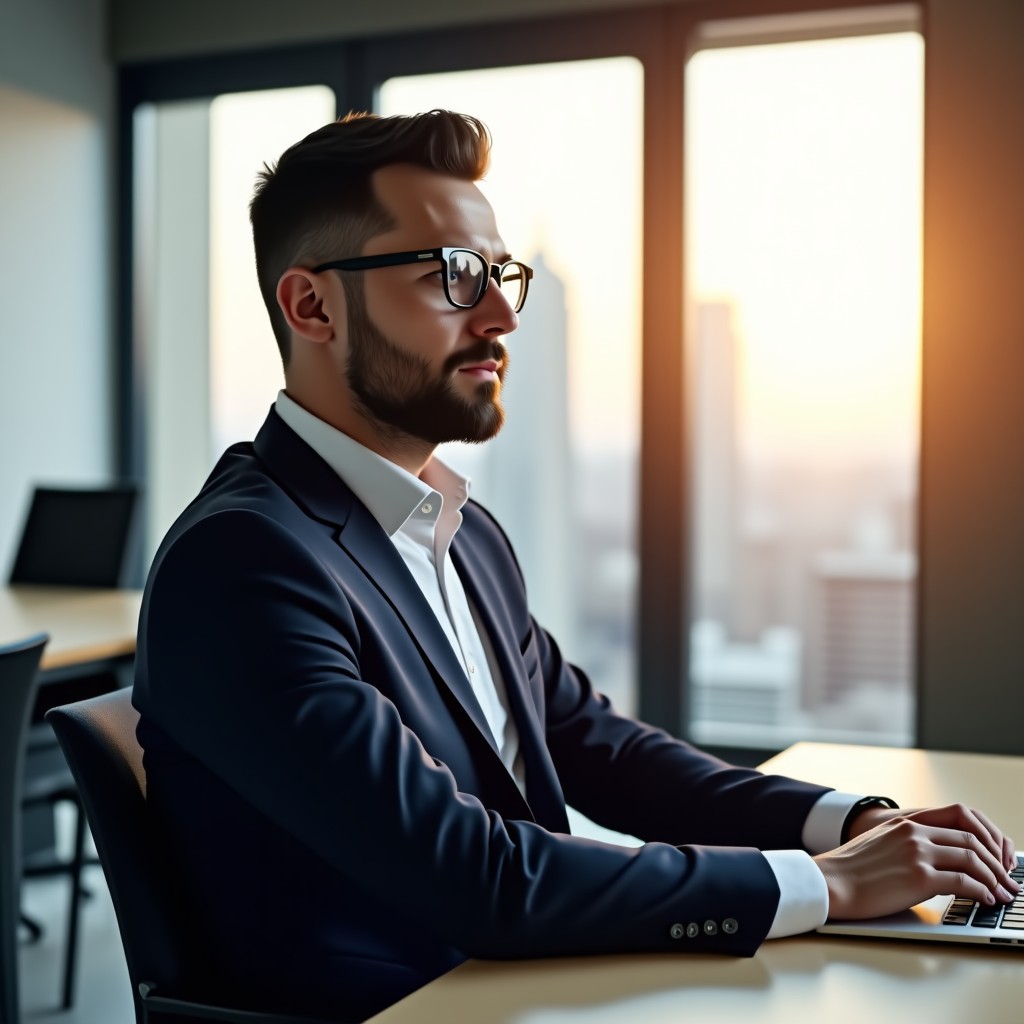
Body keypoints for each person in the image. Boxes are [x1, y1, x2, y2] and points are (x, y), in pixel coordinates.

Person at [132, 109, 1018, 1021]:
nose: (501, 315)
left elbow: (599, 748)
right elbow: (472, 876)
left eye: (499, 274)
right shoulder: (243, 562)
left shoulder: (460, 532)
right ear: (312, 306)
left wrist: (850, 825)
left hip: (526, 985)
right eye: (453, 275)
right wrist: (825, 885)